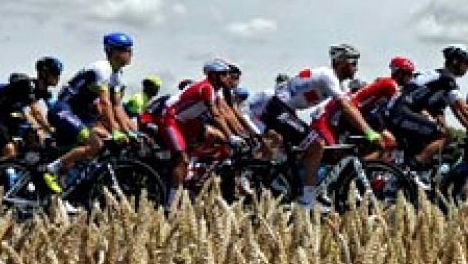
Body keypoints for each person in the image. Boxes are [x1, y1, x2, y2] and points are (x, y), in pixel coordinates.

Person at [260, 44, 380, 208]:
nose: (356, 68)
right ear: (342, 63)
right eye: (354, 63)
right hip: (279, 108)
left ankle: (292, 183)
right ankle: (307, 200)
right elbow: (346, 107)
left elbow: (350, 108)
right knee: (316, 144)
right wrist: (368, 132)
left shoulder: (337, 82)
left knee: (307, 148)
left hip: (286, 109)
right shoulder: (328, 76)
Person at [44, 33, 135, 192]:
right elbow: (105, 103)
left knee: (103, 140)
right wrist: (115, 130)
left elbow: (118, 107)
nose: (131, 54)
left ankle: (66, 185)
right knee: (95, 144)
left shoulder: (117, 75)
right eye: (127, 50)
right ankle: (51, 170)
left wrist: (131, 132)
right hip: (63, 110)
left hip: (80, 113)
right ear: (114, 52)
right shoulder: (102, 69)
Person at [159, 59, 248, 207]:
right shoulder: (206, 87)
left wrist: (241, 134)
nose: (228, 77)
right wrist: (231, 136)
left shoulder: (215, 91)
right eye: (224, 74)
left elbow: (226, 115)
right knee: (181, 159)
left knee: (217, 136)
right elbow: (216, 115)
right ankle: (171, 204)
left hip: (188, 122)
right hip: (172, 120)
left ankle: (193, 172)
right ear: (213, 76)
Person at [384, 46, 468, 167]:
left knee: (425, 144)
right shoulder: (446, 79)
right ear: (455, 61)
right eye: (466, 62)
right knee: (445, 137)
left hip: (397, 112)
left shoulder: (439, 78)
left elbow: (456, 112)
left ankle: (402, 176)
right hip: (401, 112)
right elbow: (464, 108)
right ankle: (415, 166)